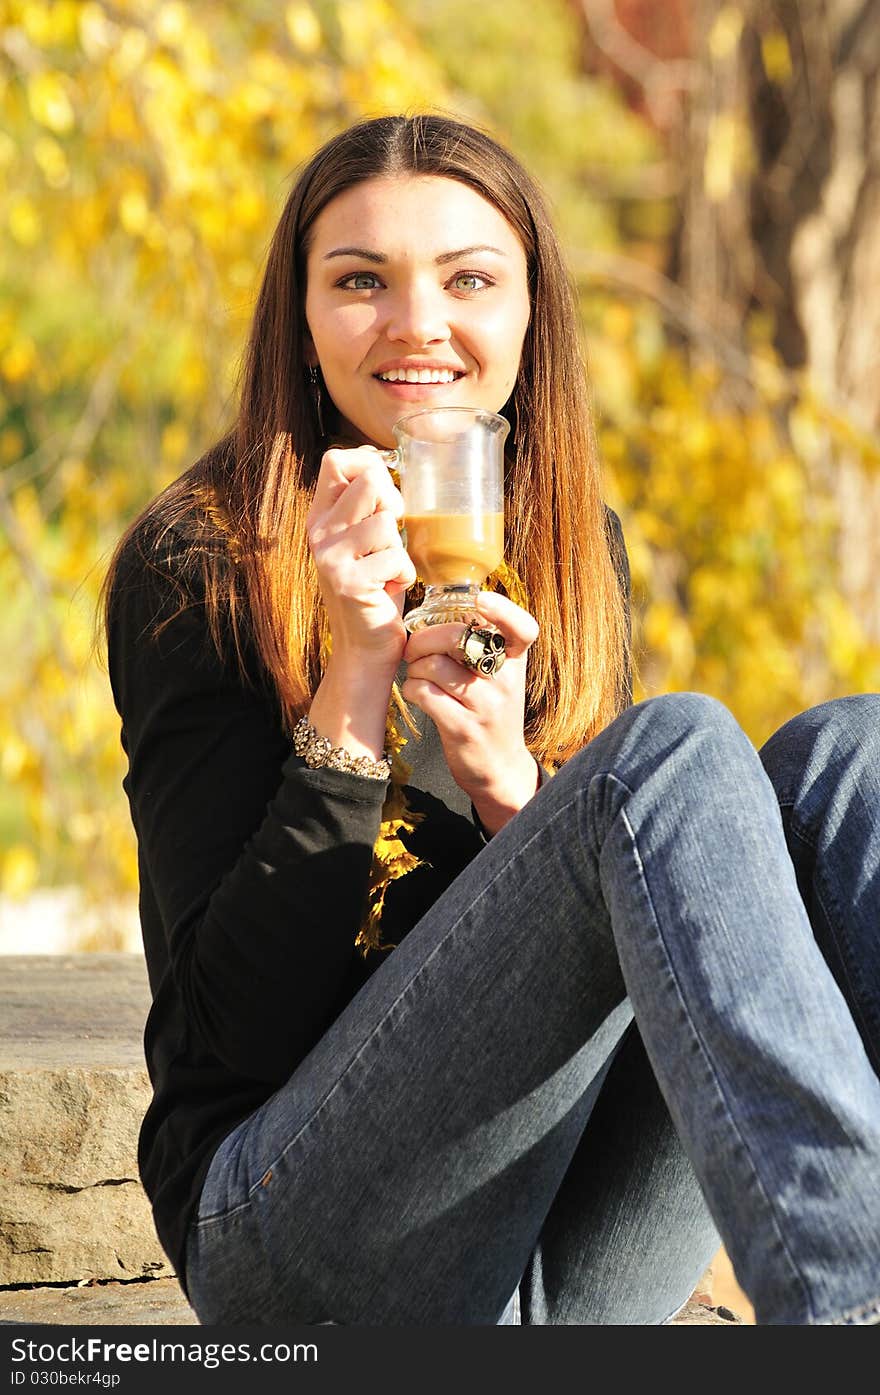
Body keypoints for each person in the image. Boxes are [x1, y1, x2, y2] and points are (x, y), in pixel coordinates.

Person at [102, 113, 880, 1327]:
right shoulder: (204, 564)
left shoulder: (571, 553)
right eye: (360, 281)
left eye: (469, 278)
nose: (417, 324)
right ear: (303, 325)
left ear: (528, 316)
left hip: (558, 1252)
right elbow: (228, 1043)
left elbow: (612, 971)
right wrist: (353, 684)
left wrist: (521, 795)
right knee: (668, 752)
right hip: (291, 1242)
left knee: (854, 761)